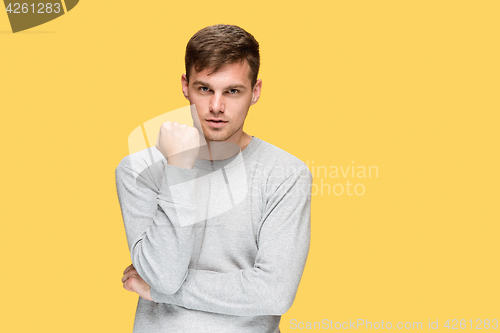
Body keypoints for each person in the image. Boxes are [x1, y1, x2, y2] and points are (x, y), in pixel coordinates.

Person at [115, 24, 312, 333]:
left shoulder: (285, 174)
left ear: (255, 91)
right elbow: (165, 274)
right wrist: (179, 168)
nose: (217, 107)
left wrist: (161, 293)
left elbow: (274, 294)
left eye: (232, 91)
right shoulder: (138, 170)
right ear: (185, 85)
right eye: (204, 89)